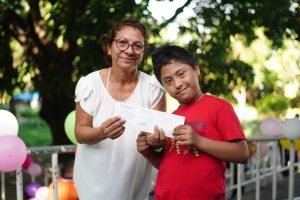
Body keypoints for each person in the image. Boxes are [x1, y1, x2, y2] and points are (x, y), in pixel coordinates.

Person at [137, 45, 249, 200]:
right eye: (168, 81)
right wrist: (148, 152)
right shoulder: (172, 118)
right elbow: (168, 164)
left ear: (196, 69)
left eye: (181, 74)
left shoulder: (219, 107)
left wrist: (198, 140)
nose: (177, 84)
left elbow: (242, 153)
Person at [73, 18, 165, 200]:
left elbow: (159, 137)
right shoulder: (90, 84)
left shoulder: (153, 87)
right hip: (93, 184)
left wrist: (156, 140)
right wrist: (102, 132)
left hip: (134, 185)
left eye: (137, 46)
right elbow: (80, 133)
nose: (129, 51)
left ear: (143, 51)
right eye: (122, 42)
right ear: (109, 47)